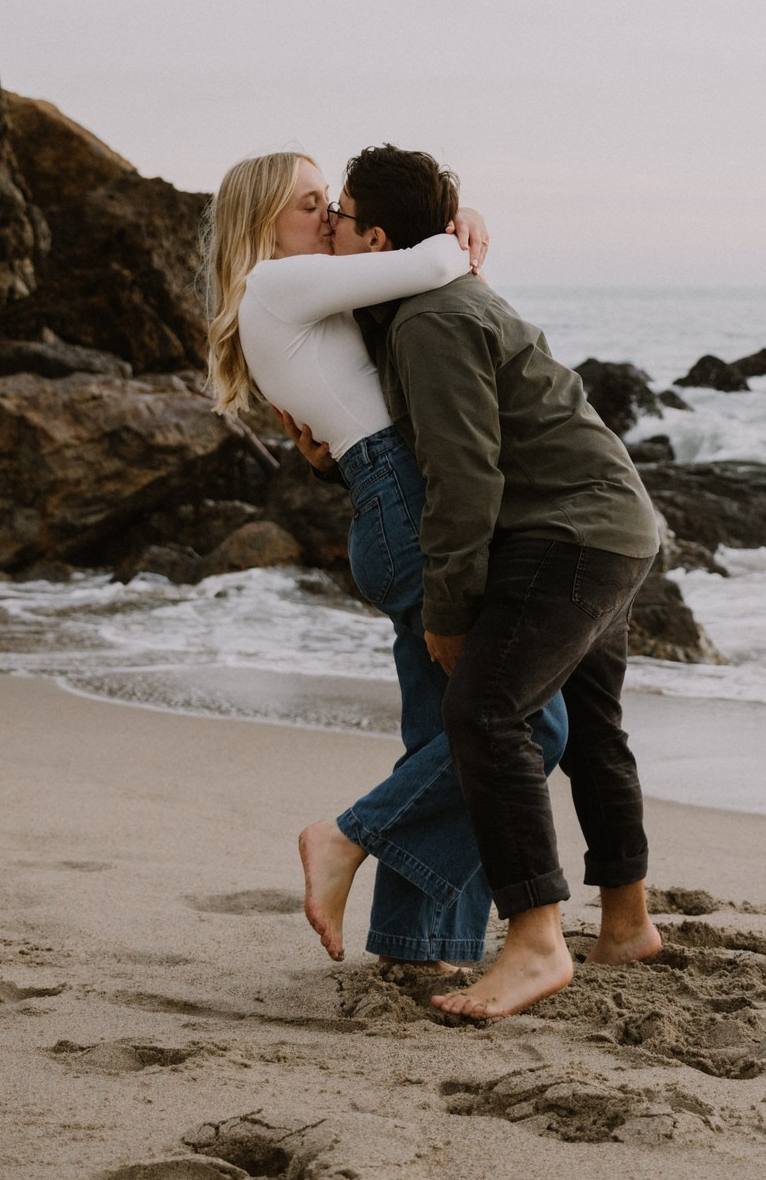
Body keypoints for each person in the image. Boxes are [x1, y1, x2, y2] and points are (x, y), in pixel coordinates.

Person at [203, 150, 570, 968]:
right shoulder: (276, 281)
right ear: (262, 222)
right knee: (526, 723)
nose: (330, 216)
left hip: (391, 500)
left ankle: (418, 944)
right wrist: (463, 229)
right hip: (403, 504)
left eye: (331, 201)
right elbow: (434, 262)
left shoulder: (303, 293)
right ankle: (345, 837)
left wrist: (466, 219)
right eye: (310, 204)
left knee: (444, 731)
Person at [333, 145, 667, 1019]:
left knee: (483, 713)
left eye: (341, 213)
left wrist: (447, 611)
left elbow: (464, 477)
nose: (329, 223)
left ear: (376, 238)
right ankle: (626, 923)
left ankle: (535, 942)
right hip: (613, 519)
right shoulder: (437, 296)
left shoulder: (429, 319)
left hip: (568, 534)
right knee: (591, 730)